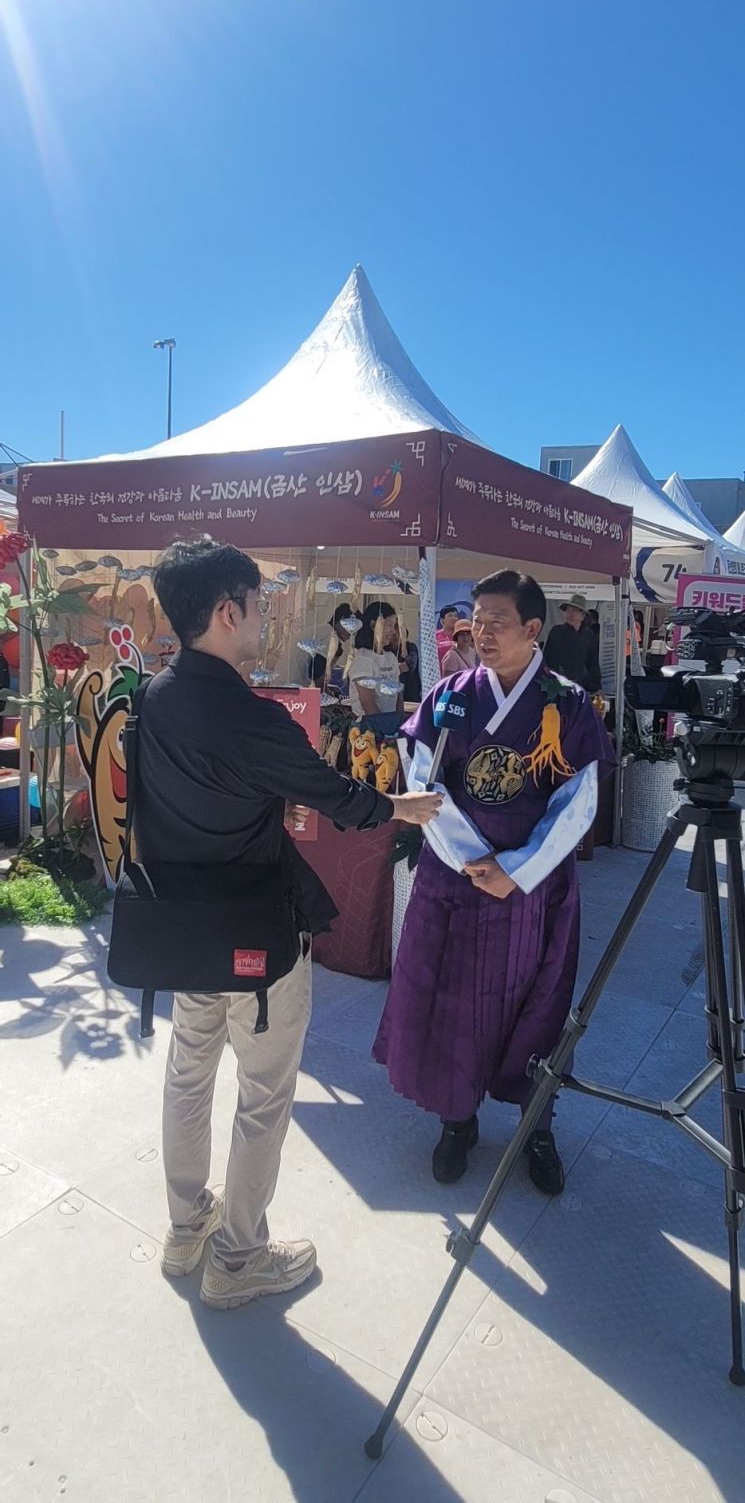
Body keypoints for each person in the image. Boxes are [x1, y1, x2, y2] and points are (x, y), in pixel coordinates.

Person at [136, 540, 440, 1309]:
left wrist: (265, 806)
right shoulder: (252, 717)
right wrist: (403, 806)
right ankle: (239, 1256)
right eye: (256, 603)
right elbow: (339, 796)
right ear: (225, 610)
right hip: (256, 933)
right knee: (264, 1090)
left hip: (181, 928)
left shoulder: (156, 695)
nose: (264, 617)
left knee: (189, 1071)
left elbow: (185, 798)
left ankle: (186, 1226)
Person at [373, 568, 615, 1194]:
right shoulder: (451, 694)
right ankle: (457, 1120)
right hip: (456, 878)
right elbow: (421, 778)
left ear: (533, 629)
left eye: (496, 622)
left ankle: (538, 1126)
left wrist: (519, 868)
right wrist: (471, 857)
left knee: (538, 1005)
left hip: (532, 887)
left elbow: (579, 801)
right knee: (453, 1003)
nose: (480, 633)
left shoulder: (565, 703)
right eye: (475, 620)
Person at [348, 602, 402, 718]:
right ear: (374, 625)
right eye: (389, 625)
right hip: (369, 726)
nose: (393, 631)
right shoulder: (363, 658)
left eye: (394, 626)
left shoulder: (391, 657)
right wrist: (381, 725)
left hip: (391, 724)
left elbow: (398, 696)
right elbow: (367, 702)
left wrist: (399, 722)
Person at [542, 594, 601, 692]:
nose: (570, 614)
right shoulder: (557, 631)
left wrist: (594, 683)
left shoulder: (588, 635)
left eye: (574, 610)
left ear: (583, 615)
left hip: (580, 685)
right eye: (568, 610)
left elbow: (593, 662)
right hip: (558, 685)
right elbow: (547, 658)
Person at [309, 602, 355, 689]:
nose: (352, 632)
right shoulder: (329, 635)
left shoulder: (324, 630)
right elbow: (316, 671)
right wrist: (325, 690)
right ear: (341, 620)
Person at [436, 605, 460, 670]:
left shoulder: (461, 635)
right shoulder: (435, 636)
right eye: (450, 616)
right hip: (439, 672)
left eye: (456, 616)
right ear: (442, 619)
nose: (454, 618)